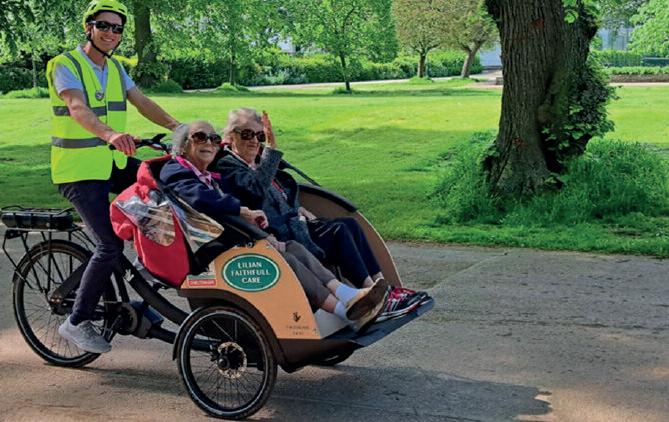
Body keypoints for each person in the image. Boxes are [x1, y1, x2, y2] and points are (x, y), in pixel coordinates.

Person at [160, 121, 388, 332]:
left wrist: (259, 227)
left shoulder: (210, 176)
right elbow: (203, 199)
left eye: (213, 138)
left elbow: (238, 204)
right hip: (214, 248)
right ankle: (342, 311)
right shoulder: (177, 171)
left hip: (240, 236)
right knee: (286, 260)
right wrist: (245, 213)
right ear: (182, 146)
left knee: (295, 249)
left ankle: (347, 295)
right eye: (200, 137)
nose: (209, 143)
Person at [54, 0, 181, 354]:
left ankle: (146, 266)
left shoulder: (115, 68)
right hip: (78, 171)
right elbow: (77, 107)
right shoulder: (65, 65)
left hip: (109, 163)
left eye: (117, 28)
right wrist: (111, 134)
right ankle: (76, 321)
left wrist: (179, 128)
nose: (111, 33)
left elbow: (142, 101)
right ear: (88, 27)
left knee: (162, 189)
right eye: (104, 25)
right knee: (108, 246)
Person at [215, 108, 427, 319]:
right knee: (339, 231)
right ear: (230, 137)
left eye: (259, 135)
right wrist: (270, 150)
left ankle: (384, 288)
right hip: (279, 234)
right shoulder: (228, 165)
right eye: (247, 134)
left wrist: (298, 207)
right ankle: (374, 296)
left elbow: (282, 194)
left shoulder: (257, 163)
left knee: (350, 224)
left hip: (297, 224)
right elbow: (256, 189)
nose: (254, 141)